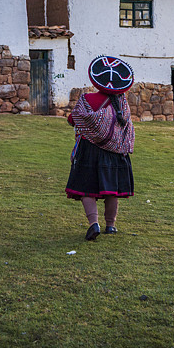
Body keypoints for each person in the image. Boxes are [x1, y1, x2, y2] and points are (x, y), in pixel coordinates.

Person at [65, 56, 135, 241]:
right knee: (112, 190)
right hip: (115, 153)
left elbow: (74, 119)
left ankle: (93, 224)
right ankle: (110, 226)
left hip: (89, 151)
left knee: (87, 189)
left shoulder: (87, 99)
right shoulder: (122, 104)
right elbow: (125, 125)